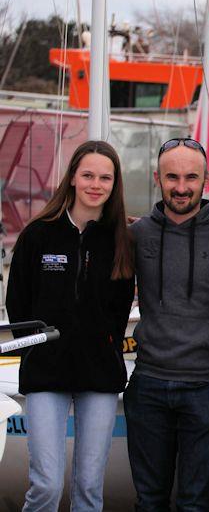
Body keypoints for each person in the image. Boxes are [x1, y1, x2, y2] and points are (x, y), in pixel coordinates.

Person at [6, 140, 135, 511]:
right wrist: (34, 350)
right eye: (88, 175)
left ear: (114, 184)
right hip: (46, 374)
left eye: (105, 178)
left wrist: (107, 348)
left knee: (89, 489)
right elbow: (18, 303)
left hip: (100, 376)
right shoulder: (38, 235)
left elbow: (120, 308)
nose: (96, 184)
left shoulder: (120, 240)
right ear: (74, 178)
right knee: (46, 485)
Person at [124, 138, 209, 511]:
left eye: (191, 177)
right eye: (172, 177)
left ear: (206, 179)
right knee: (149, 501)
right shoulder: (137, 235)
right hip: (148, 384)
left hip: (206, 387)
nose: (181, 187)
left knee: (195, 504)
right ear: (157, 178)